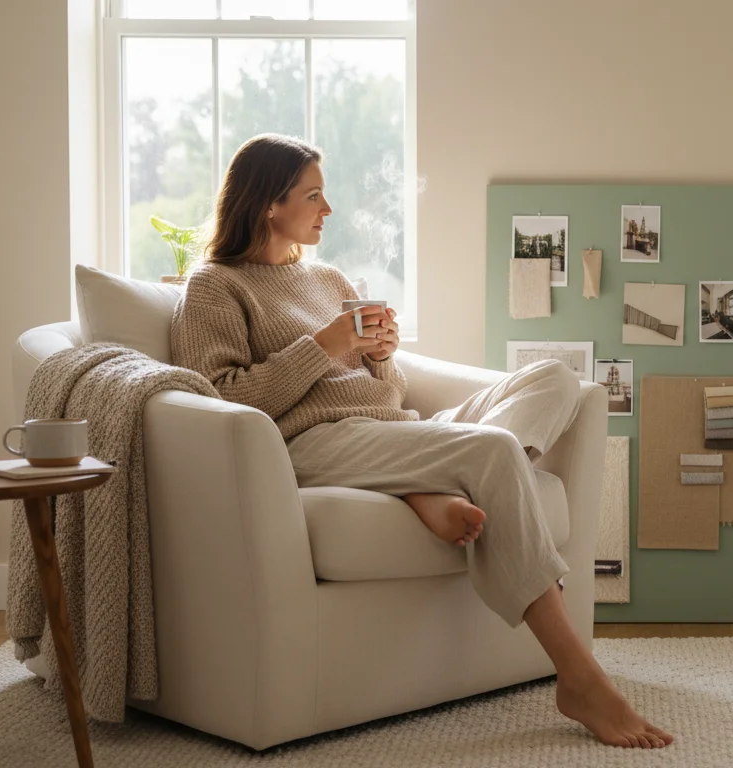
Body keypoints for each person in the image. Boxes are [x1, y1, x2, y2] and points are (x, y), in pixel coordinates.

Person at [170, 134, 672, 749]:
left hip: (395, 431)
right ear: (269, 204)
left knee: (556, 379)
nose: (327, 209)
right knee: (493, 452)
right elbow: (225, 400)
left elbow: (385, 389)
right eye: (313, 195)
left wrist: (381, 355)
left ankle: (426, 484)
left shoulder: (326, 277)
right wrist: (327, 345)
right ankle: (579, 677)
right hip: (315, 443)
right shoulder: (214, 287)